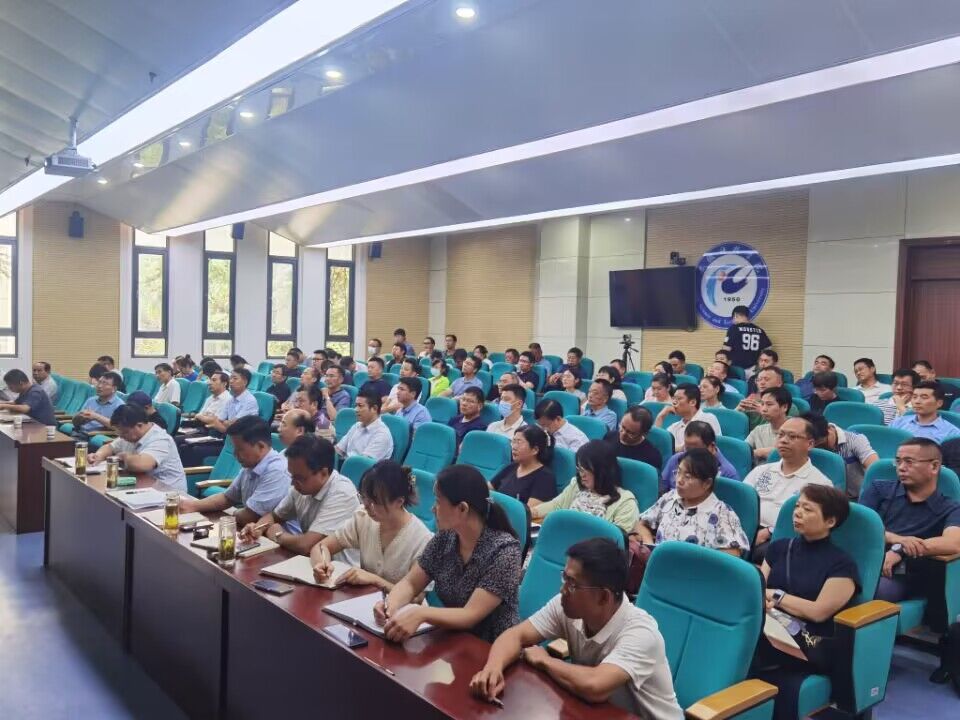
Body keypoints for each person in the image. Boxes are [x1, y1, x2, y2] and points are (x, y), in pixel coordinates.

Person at [470, 538, 682, 718]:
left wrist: (545, 661)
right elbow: (515, 635)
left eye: (572, 583)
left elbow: (595, 686)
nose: (563, 589)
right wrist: (493, 669)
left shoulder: (641, 633)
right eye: (564, 577)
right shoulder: (566, 606)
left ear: (603, 596)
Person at [375, 465, 521, 643]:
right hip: (453, 639)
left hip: (492, 647)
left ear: (462, 509)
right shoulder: (445, 537)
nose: (432, 509)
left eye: (438, 501)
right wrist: (390, 606)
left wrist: (421, 613)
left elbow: (470, 615)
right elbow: (411, 583)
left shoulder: (504, 552)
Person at [752, 485, 860, 720]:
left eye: (808, 509)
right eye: (797, 506)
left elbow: (818, 612)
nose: (797, 512)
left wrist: (776, 596)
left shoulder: (842, 564)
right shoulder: (779, 548)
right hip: (768, 627)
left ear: (830, 521)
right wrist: (763, 600)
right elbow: (759, 591)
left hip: (807, 639)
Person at [862, 439, 960, 633]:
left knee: (866, 590)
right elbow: (860, 528)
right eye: (898, 461)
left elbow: (953, 543)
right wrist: (898, 540)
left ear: (934, 466)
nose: (901, 468)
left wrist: (900, 550)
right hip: (863, 561)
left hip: (900, 574)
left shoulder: (950, 508)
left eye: (909, 462)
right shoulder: (879, 489)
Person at [311, 460, 433, 590]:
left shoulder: (422, 540)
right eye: (364, 498)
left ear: (399, 502)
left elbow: (417, 597)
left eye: (376, 502)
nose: (367, 506)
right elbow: (321, 546)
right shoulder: (363, 518)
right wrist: (322, 564)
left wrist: (375, 580)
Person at [241, 435, 360, 558]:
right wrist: (257, 528)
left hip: (338, 567)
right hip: (310, 562)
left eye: (299, 478)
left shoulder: (342, 493)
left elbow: (307, 546)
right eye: (292, 476)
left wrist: (278, 535)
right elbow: (274, 516)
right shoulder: (300, 488)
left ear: (323, 473)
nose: (293, 483)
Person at [743, 418, 832, 562]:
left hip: (781, 539)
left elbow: (812, 525)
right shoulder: (760, 471)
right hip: (746, 530)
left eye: (792, 436)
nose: (783, 440)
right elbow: (741, 504)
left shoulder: (820, 484)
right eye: (780, 435)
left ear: (810, 444)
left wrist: (769, 532)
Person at [178, 416, 291, 527]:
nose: (235, 454)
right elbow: (227, 498)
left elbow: (249, 516)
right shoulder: (250, 466)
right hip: (253, 530)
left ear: (261, 446)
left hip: (279, 536)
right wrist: (193, 505)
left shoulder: (277, 471)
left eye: (240, 449)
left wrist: (229, 516)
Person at [636, 448, 749, 554]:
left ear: (707, 483)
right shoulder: (670, 497)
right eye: (678, 472)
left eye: (687, 476)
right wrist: (652, 549)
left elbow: (732, 555)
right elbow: (641, 524)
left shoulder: (722, 514)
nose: (679, 480)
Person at [532, 440, 639, 533]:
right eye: (579, 469)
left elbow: (618, 538)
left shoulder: (625, 502)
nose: (581, 475)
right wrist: (531, 512)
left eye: (585, 470)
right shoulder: (577, 485)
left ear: (602, 471)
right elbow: (557, 505)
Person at [89, 404, 185, 493]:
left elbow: (141, 465)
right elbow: (109, 447)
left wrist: (123, 457)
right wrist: (98, 455)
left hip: (168, 494)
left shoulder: (161, 440)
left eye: (124, 432)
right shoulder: (130, 434)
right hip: (143, 487)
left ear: (139, 425)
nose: (121, 436)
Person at [804, 412, 877, 499]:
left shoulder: (855, 440)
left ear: (829, 429)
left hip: (853, 498)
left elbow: (875, 468)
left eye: (821, 445)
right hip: (818, 496)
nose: (821, 450)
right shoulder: (804, 445)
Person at [661, 421, 739, 489]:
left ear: (711, 446)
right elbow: (662, 488)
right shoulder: (675, 459)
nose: (690, 455)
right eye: (687, 448)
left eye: (696, 450)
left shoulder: (728, 474)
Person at [490, 425, 556, 506]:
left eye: (519, 442)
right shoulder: (511, 467)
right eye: (513, 441)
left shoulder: (545, 478)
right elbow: (488, 488)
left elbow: (529, 510)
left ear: (535, 450)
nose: (514, 447)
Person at [655, 383, 722, 452]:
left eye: (679, 399)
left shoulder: (708, 419)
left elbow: (693, 449)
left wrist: (670, 449)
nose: (674, 403)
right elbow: (659, 445)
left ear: (692, 402)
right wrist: (660, 417)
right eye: (674, 399)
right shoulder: (675, 426)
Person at [891, 381, 960, 444]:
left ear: (939, 403)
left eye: (924, 397)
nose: (917, 401)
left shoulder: (951, 432)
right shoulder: (898, 422)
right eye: (914, 397)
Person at [335, 389, 394, 461]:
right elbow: (338, 450)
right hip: (347, 464)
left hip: (359, 467)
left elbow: (362, 464)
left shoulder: (382, 435)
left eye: (360, 406)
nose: (356, 410)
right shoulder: (357, 425)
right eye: (356, 405)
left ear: (374, 408)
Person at [745, 387, 793, 461]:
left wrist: (762, 452)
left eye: (769, 404)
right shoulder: (758, 430)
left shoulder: (798, 431)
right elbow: (743, 452)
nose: (764, 409)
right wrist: (758, 452)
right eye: (762, 404)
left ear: (784, 407)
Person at [722, 304, 772, 371]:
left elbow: (726, 350)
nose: (732, 321)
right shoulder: (759, 330)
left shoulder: (734, 329)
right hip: (754, 368)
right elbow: (768, 349)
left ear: (735, 315)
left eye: (732, 318)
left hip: (736, 368)